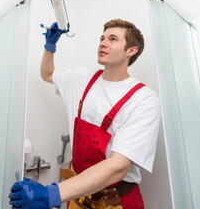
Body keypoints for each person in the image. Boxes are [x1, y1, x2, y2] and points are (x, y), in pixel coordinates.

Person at [9, 19, 160, 209]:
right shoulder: (83, 78)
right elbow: (47, 74)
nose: (102, 43)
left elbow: (118, 167)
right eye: (102, 38)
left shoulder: (143, 99)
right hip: (78, 196)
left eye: (113, 39)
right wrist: (50, 46)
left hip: (116, 201)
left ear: (131, 50)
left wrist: (52, 193)